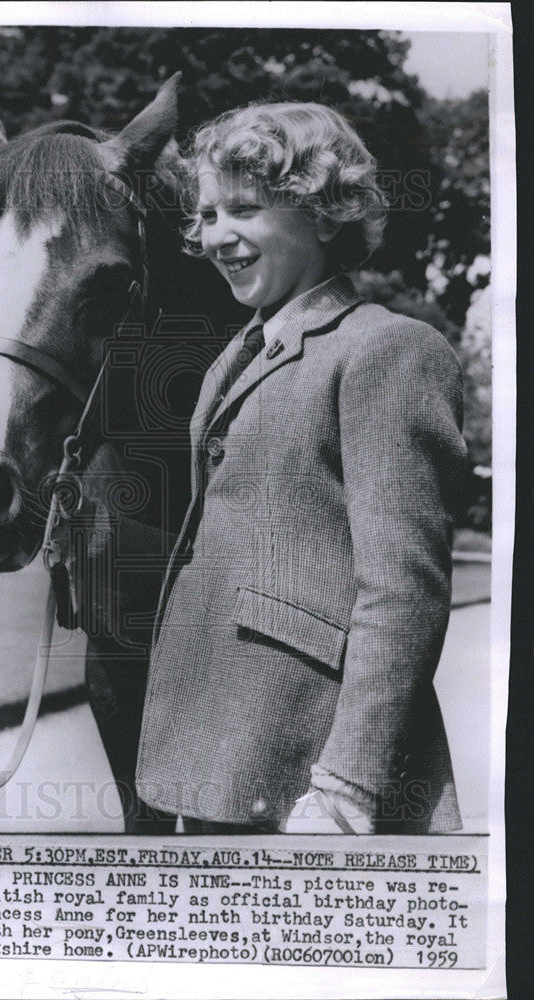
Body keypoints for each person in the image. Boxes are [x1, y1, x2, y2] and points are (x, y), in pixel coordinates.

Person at [133, 101, 467, 834]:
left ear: (323, 214)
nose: (219, 234)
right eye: (208, 215)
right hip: (216, 749)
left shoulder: (387, 349)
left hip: (309, 772)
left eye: (244, 209)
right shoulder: (237, 353)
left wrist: (346, 783)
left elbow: (401, 591)